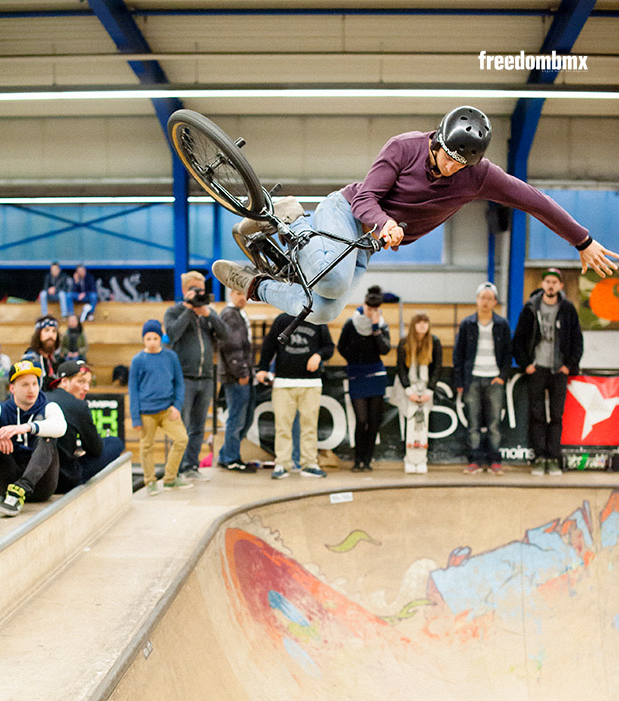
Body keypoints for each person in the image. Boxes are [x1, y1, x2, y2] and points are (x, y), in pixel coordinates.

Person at [213, 106, 618, 322]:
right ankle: (293, 217)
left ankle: (252, 284)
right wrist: (386, 222)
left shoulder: (479, 175)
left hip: (367, 245)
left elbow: (534, 200)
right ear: (437, 140)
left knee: (322, 311)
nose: (452, 169)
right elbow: (365, 198)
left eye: (462, 165)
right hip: (345, 213)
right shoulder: (403, 147)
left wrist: (581, 240)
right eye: (448, 158)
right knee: (333, 283)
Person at [0, 359, 66, 517]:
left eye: (34, 384)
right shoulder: (0, 408)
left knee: (47, 438)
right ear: (12, 388)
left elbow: (60, 427)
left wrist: (26, 427)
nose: (31, 389)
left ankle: (20, 490)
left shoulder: (49, 407)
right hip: (7, 481)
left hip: (40, 485)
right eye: (25, 385)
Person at [512, 267, 583, 476]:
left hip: (558, 370)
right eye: (547, 281)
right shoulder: (531, 307)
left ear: (560, 285)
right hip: (537, 369)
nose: (551, 285)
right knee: (537, 415)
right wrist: (526, 364)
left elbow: (577, 340)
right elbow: (518, 340)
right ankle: (539, 457)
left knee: (556, 416)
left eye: (555, 282)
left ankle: (553, 458)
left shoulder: (568, 309)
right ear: (542, 285)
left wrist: (568, 365)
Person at [163, 271, 227, 480]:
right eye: (195, 289)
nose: (199, 292)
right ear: (184, 290)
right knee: (183, 426)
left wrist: (209, 314)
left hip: (206, 378)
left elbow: (225, 334)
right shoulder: (174, 311)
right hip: (184, 378)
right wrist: (189, 309)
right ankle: (178, 468)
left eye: (201, 289)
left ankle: (191, 466)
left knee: (199, 427)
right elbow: (172, 334)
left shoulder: (207, 314)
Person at [257, 312, 334, 479]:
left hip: (310, 383)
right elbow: (269, 345)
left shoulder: (318, 319)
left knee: (310, 426)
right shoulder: (282, 320)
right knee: (282, 425)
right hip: (284, 382)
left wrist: (318, 355)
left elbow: (329, 347)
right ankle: (282, 464)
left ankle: (309, 463)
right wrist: (262, 367)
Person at [129, 319, 193, 495]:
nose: (151, 342)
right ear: (143, 339)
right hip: (146, 412)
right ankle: (150, 481)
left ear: (160, 338)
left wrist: (176, 406)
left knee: (181, 439)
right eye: (148, 338)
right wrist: (135, 416)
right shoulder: (138, 360)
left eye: (155, 338)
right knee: (146, 446)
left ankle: (170, 478)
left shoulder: (170, 357)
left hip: (167, 409)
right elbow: (133, 390)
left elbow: (179, 383)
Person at [453, 281, 512, 474]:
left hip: (494, 379)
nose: (485, 302)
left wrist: (502, 376)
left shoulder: (502, 324)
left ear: (494, 301)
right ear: (477, 300)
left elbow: (507, 354)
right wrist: (460, 381)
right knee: (474, 423)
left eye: (489, 298)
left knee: (494, 423)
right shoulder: (467, 324)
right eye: (482, 297)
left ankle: (495, 460)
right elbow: (458, 354)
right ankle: (475, 461)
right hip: (473, 379)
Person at [47, 359, 124, 493]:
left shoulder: (42, 398)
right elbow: (96, 449)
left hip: (40, 479)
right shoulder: (78, 406)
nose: (87, 388)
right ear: (64, 382)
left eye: (88, 383)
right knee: (115, 442)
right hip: (64, 480)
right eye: (81, 382)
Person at [337, 285, 391, 471]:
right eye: (369, 309)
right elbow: (341, 347)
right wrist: (354, 358)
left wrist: (375, 328)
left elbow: (385, 349)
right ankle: (357, 459)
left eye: (375, 310)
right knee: (362, 420)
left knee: (375, 421)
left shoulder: (382, 325)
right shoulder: (351, 323)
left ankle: (367, 461)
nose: (371, 313)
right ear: (364, 305)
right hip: (357, 376)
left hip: (376, 376)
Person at [393, 313, 442, 473]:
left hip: (426, 389)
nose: (422, 325)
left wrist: (430, 390)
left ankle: (422, 459)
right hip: (408, 389)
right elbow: (401, 368)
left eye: (425, 322)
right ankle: (409, 458)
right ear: (413, 325)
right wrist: (408, 390)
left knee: (423, 424)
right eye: (419, 322)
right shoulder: (404, 343)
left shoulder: (434, 342)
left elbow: (437, 368)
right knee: (410, 423)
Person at [217, 289, 257, 473]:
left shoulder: (237, 314)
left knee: (245, 419)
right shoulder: (230, 316)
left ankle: (227, 455)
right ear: (232, 293)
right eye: (239, 293)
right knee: (237, 419)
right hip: (236, 377)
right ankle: (231, 458)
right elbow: (231, 348)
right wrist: (241, 373)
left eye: (245, 294)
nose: (243, 297)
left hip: (241, 374)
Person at [23, 315, 61, 388]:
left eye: (54, 331)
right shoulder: (31, 359)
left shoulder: (55, 359)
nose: (51, 335)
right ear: (38, 334)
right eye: (46, 330)